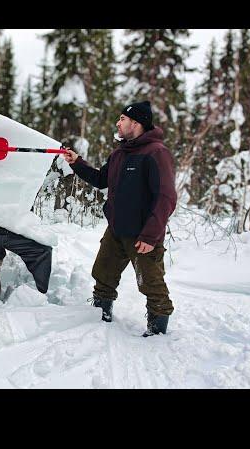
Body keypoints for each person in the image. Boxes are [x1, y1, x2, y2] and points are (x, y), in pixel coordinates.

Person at [61, 101, 177, 337]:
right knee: (103, 275)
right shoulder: (119, 153)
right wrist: (77, 163)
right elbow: (101, 179)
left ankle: (157, 330)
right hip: (116, 229)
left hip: (142, 235)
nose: (118, 123)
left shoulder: (156, 153)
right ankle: (100, 314)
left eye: (122, 119)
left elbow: (166, 197)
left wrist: (150, 235)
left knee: (151, 283)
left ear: (136, 123)